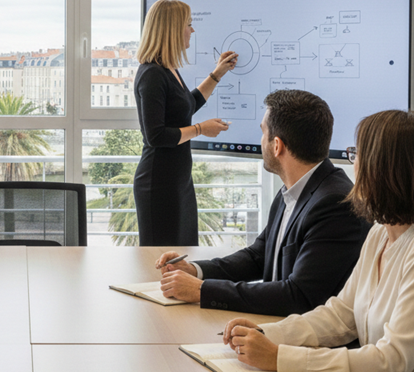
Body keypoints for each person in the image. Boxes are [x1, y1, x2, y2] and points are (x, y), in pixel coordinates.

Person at [223, 110, 414, 372]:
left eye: (357, 153)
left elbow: (392, 363)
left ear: (383, 168)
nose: (353, 163)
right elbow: (340, 316)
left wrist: (280, 357)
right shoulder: (380, 233)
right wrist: (267, 333)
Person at [157, 90, 370, 316]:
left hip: (308, 344)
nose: (260, 141)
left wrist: (203, 290)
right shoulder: (294, 189)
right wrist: (196, 271)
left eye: (263, 133)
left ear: (276, 146)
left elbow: (298, 296)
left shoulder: (335, 204)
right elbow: (258, 256)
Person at [133, 0, 237, 246]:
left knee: (182, 255)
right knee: (163, 262)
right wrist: (201, 129)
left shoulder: (168, 69)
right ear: (172, 29)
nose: (192, 30)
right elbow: (155, 136)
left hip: (178, 180)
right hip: (159, 185)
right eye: (188, 24)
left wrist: (218, 73)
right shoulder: (152, 75)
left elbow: (186, 105)